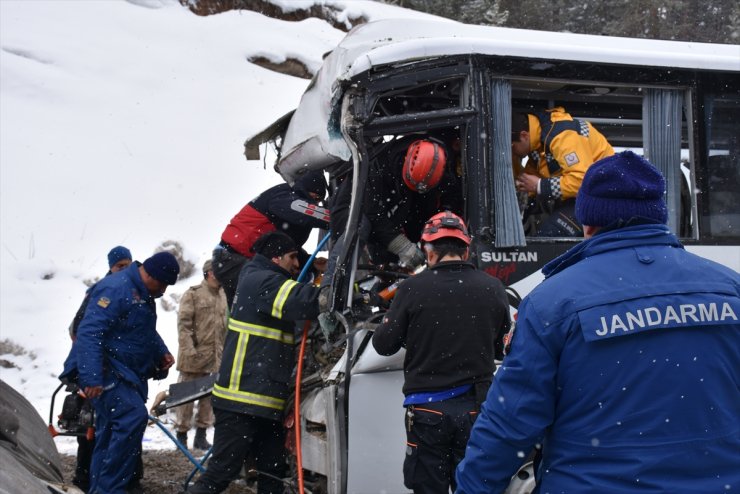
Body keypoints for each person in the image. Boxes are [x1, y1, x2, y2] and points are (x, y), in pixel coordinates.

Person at [456, 151, 740, 493]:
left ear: (588, 222)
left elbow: (509, 424)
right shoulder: (729, 289)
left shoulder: (552, 303)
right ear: (659, 216)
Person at [372, 211, 510, 494]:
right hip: (476, 409)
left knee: (428, 487)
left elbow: (383, 345)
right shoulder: (493, 288)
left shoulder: (411, 289)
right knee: (472, 486)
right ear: (466, 250)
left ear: (428, 251)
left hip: (427, 411)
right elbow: (501, 348)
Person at [187, 232, 321, 494]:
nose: (297, 264)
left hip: (262, 401)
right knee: (220, 473)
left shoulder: (258, 277)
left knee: (272, 475)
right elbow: (304, 301)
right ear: (276, 256)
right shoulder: (262, 281)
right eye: (293, 257)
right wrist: (338, 290)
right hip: (243, 401)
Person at [61, 251, 180, 494]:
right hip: (110, 372)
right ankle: (110, 489)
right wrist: (91, 376)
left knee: (109, 432)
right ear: (153, 275)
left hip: (127, 372)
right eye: (164, 284)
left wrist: (160, 352)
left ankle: (100, 488)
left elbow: (140, 328)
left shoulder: (142, 293)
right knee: (131, 419)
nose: (164, 291)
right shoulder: (116, 289)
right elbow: (89, 332)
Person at [66, 245, 133, 493]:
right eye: (119, 266)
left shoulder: (133, 291)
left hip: (121, 371)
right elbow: (78, 330)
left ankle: (127, 479)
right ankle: (83, 478)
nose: (124, 270)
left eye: (128, 264)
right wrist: (92, 361)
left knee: (122, 425)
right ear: (111, 267)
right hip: (96, 370)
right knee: (91, 426)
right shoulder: (100, 292)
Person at [213, 170, 330, 307]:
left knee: (246, 306)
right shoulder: (285, 197)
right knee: (259, 302)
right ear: (307, 191)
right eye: (316, 199)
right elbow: (307, 212)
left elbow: (283, 246)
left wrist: (311, 263)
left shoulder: (287, 209)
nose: (316, 204)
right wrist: (340, 217)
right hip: (232, 258)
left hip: (236, 258)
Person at [511, 106, 614, 237]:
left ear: (524, 135)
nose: (512, 152)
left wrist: (539, 186)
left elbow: (582, 181)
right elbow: (529, 182)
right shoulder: (539, 144)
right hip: (580, 198)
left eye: (512, 147)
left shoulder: (562, 135)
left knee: (548, 238)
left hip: (599, 198)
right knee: (529, 228)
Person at [365, 137, 463, 270]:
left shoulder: (443, 171)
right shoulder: (379, 167)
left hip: (420, 211)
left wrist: (443, 223)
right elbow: (372, 213)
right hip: (388, 211)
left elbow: (452, 197)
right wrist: (401, 246)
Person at [174, 259, 228, 451]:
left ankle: (201, 436)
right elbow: (184, 326)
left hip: (215, 359)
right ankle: (181, 436)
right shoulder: (193, 294)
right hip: (194, 358)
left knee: (209, 400)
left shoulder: (224, 295)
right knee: (186, 400)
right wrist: (189, 350)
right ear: (210, 273)